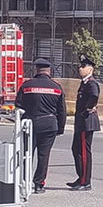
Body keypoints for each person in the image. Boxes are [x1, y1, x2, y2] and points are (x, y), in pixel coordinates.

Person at [15, 58, 67, 194]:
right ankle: (39, 184)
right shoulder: (57, 87)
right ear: (49, 71)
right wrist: (60, 128)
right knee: (44, 156)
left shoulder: (27, 86)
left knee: (27, 154)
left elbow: (18, 105)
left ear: (37, 70)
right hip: (49, 125)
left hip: (30, 124)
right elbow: (62, 110)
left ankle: (23, 182)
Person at [67, 55, 101, 191]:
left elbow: (94, 96)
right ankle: (80, 177)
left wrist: (88, 107)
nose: (80, 68)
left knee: (84, 152)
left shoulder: (91, 83)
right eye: (80, 66)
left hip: (87, 121)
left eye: (83, 66)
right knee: (76, 149)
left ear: (90, 69)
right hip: (81, 121)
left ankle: (85, 182)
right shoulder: (84, 82)